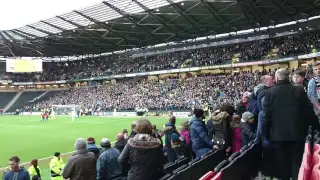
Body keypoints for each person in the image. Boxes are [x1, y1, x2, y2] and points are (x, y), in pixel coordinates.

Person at [263, 68, 319, 180]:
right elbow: (309, 111)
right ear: (288, 77)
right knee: (297, 165)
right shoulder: (299, 91)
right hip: (297, 135)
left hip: (278, 137)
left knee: (282, 167)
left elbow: (266, 117)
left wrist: (266, 135)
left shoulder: (269, 93)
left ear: (277, 78)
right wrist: (316, 125)